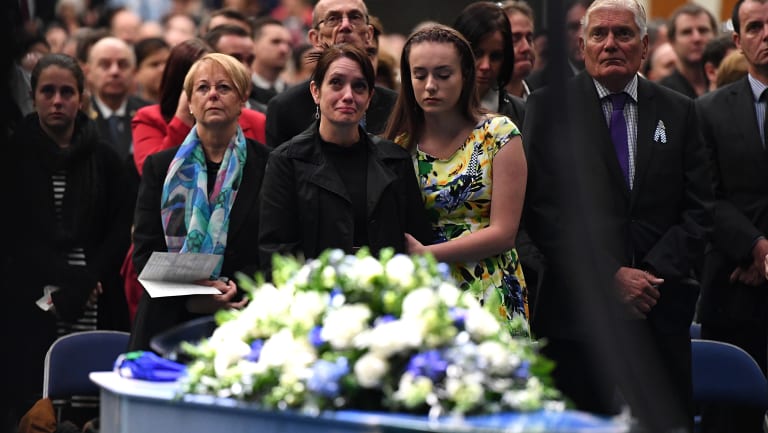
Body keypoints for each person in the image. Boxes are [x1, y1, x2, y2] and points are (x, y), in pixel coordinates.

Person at [523, 0, 713, 430]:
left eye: (623, 34)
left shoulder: (679, 109)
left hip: (659, 307)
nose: (610, 44)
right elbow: (541, 210)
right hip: (577, 312)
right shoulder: (549, 108)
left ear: (644, 46)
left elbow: (700, 209)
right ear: (581, 44)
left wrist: (646, 276)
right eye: (599, 34)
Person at [1, 53, 132, 427]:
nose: (57, 101)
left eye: (66, 92)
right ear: (33, 96)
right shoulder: (12, 156)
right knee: (32, 397)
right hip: (28, 292)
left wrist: (86, 280)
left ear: (81, 97)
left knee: (87, 401)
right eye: (47, 92)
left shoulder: (104, 156)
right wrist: (70, 283)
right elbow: (13, 236)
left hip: (95, 291)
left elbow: (118, 229)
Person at [385, 25, 529, 325]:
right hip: (424, 294)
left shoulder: (498, 134)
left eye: (442, 74)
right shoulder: (397, 146)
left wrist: (428, 253)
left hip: (490, 287)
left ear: (465, 75)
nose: (430, 85)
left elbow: (504, 233)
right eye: (419, 74)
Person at [129, 53, 269, 351]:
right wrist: (194, 296)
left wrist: (233, 291)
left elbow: (275, 246)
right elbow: (144, 254)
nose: (213, 95)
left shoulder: (270, 164)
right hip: (167, 320)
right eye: (203, 88)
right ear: (190, 103)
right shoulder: (160, 166)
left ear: (243, 99)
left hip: (244, 316)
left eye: (225, 87)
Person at [259, 44, 431, 263]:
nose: (348, 95)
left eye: (359, 87)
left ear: (369, 98)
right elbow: (276, 252)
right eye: (336, 83)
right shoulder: (286, 161)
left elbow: (418, 239)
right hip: (312, 292)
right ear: (316, 91)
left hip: (386, 291)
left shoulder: (395, 159)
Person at [697, 1, 768, 431]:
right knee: (732, 420)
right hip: (734, 285)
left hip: (752, 267)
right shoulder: (708, 111)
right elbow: (706, 195)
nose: (767, 35)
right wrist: (755, 249)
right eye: (756, 27)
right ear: (739, 41)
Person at [265, 0, 397, 148]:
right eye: (333, 19)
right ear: (316, 38)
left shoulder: (396, 107)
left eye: (355, 17)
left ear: (368, 35)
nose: (346, 26)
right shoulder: (285, 108)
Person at [132, 38, 266, 175]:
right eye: (203, 86)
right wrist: (183, 117)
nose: (213, 93)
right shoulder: (148, 118)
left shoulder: (256, 121)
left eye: (223, 85)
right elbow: (153, 174)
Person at [453, 1, 526, 127]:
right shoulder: (435, 108)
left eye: (495, 56)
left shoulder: (522, 112)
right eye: (477, 54)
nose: (485, 66)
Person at [659, 3, 718, 98]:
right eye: (686, 32)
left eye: (703, 30)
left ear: (715, 35)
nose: (697, 38)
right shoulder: (661, 93)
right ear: (672, 41)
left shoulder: (728, 84)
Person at [502, 1, 536, 100]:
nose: (526, 47)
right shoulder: (479, 106)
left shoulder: (541, 101)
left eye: (529, 39)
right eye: (515, 39)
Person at [132, 37, 170, 103]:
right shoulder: (130, 109)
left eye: (168, 63)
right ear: (136, 72)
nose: (163, 69)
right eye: (154, 64)